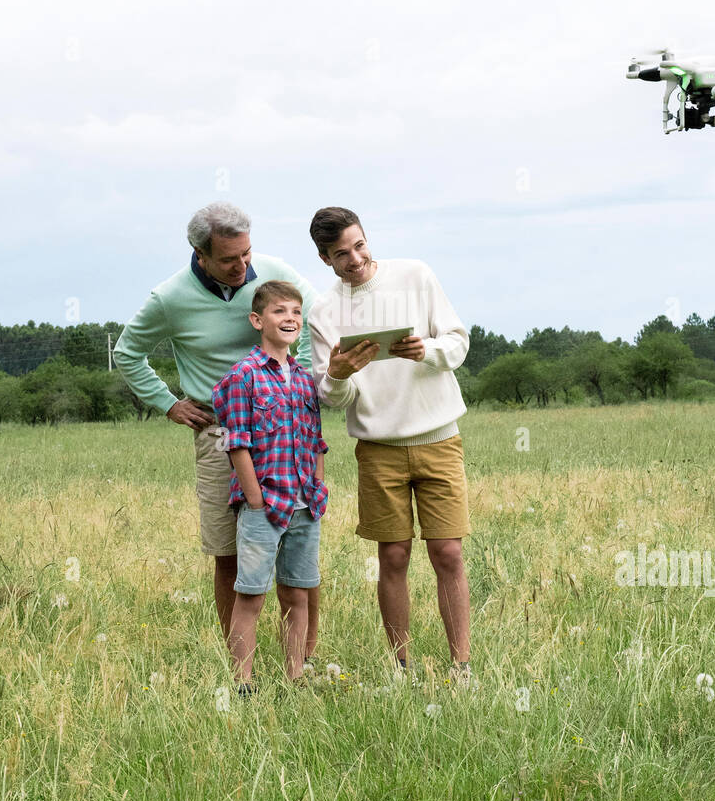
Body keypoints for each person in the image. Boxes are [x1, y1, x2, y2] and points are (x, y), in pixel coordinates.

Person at [112, 202, 321, 654]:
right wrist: (168, 403)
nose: (243, 266)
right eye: (229, 259)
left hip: (285, 429)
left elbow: (313, 316)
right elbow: (127, 353)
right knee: (229, 553)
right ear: (200, 255)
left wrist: (297, 378)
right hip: (219, 430)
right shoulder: (169, 298)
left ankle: (304, 659)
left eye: (247, 254)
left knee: (300, 547)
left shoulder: (272, 271)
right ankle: (238, 662)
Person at [306, 206, 473, 678]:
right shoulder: (324, 311)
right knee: (393, 555)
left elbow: (458, 342)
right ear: (325, 260)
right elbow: (333, 395)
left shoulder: (415, 275)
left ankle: (462, 666)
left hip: (439, 437)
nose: (355, 260)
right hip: (378, 448)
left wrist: (429, 350)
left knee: (448, 552)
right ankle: (401, 665)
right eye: (341, 255)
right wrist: (338, 376)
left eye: (359, 246)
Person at [212, 282, 328, 690]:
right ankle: (243, 680)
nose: (290, 319)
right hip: (265, 506)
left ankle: (295, 674)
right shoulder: (240, 377)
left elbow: (316, 440)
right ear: (258, 320)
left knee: (297, 594)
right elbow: (234, 441)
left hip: (304, 505)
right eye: (280, 312)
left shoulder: (303, 378)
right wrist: (256, 500)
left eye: (296, 312)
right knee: (252, 594)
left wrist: (318, 485)